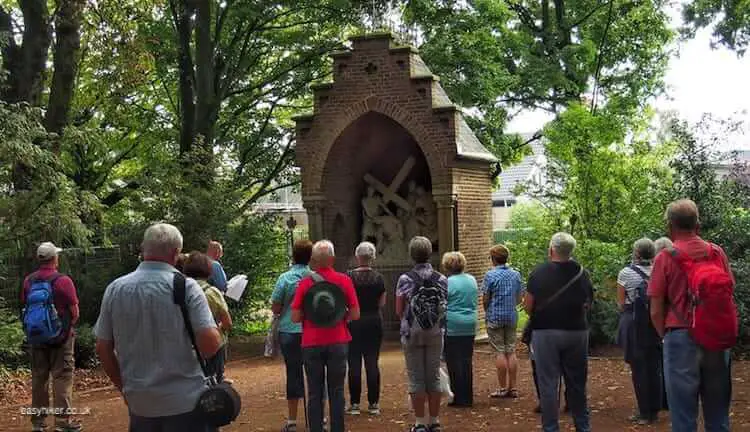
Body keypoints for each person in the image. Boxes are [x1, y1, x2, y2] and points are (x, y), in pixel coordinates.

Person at [94, 224, 223, 431]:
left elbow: (103, 348)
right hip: (186, 401)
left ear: (144, 248)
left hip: (140, 404)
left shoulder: (115, 289)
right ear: (176, 253)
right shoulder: (187, 287)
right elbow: (210, 346)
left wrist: (124, 389)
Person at [649, 199, 734, 432]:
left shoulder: (664, 258)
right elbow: (729, 290)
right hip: (716, 336)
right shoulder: (716, 252)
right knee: (718, 411)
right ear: (698, 223)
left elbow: (655, 309)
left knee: (683, 414)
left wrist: (665, 336)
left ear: (670, 226)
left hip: (680, 337)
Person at [524, 232, 593, 432]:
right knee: (577, 381)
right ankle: (582, 425)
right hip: (577, 332)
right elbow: (588, 303)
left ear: (551, 249)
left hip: (545, 332)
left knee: (548, 382)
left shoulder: (538, 273)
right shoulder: (582, 272)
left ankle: (551, 427)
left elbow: (529, 306)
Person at [291, 240, 360, 432]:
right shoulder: (344, 280)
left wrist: (310, 313)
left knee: (314, 391)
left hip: (311, 343)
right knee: (337, 390)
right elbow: (355, 314)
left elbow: (295, 317)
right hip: (338, 340)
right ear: (333, 259)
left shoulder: (305, 283)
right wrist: (340, 315)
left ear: (313, 260)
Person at [21, 242, 82, 432]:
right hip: (61, 338)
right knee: (61, 377)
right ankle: (63, 422)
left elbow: (24, 308)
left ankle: (38, 423)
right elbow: (75, 312)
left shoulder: (28, 281)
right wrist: (64, 329)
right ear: (55, 258)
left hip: (36, 338)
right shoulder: (63, 281)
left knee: (39, 378)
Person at [396, 236, 448, 432]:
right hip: (435, 332)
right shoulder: (441, 279)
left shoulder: (405, 279)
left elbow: (399, 309)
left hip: (412, 333)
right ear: (430, 253)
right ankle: (434, 422)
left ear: (411, 255)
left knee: (416, 378)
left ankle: (419, 423)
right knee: (433, 376)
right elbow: (444, 306)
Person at [616, 238, 662, 425]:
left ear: (636, 253)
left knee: (638, 368)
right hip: (656, 323)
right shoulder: (659, 271)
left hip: (633, 323)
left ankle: (644, 413)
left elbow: (620, 304)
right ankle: (655, 410)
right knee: (654, 366)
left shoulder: (626, 273)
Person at [271, 239, 313, 432]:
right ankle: (318, 419)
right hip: (312, 332)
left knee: (293, 374)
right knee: (316, 375)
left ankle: (292, 421)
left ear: (293, 256)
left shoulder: (285, 278)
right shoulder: (315, 278)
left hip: (289, 331)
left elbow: (276, 307)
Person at [346, 242, 386, 416]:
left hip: (354, 322)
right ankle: (373, 404)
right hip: (373, 320)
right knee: (372, 362)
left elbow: (345, 301)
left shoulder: (348, 277)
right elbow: (382, 303)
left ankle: (354, 404)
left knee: (353, 362)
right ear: (373, 257)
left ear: (357, 257)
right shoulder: (379, 278)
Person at [481, 244, 524, 399]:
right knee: (511, 351)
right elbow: (520, 297)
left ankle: (502, 387)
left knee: (499, 351)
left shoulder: (490, 276)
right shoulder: (516, 274)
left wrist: (488, 311)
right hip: (511, 316)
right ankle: (513, 388)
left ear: (493, 259)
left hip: (495, 316)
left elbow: (485, 298)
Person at [183, 251, 233, 383]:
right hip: (212, 345)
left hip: (185, 345)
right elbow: (227, 322)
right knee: (213, 383)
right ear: (208, 270)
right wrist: (218, 329)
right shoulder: (212, 292)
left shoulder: (178, 290)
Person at [442, 251, 478, 408]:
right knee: (466, 360)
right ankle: (468, 396)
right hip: (470, 323)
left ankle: (458, 396)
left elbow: (443, 304)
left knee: (453, 361)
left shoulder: (447, 282)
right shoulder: (472, 280)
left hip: (453, 323)